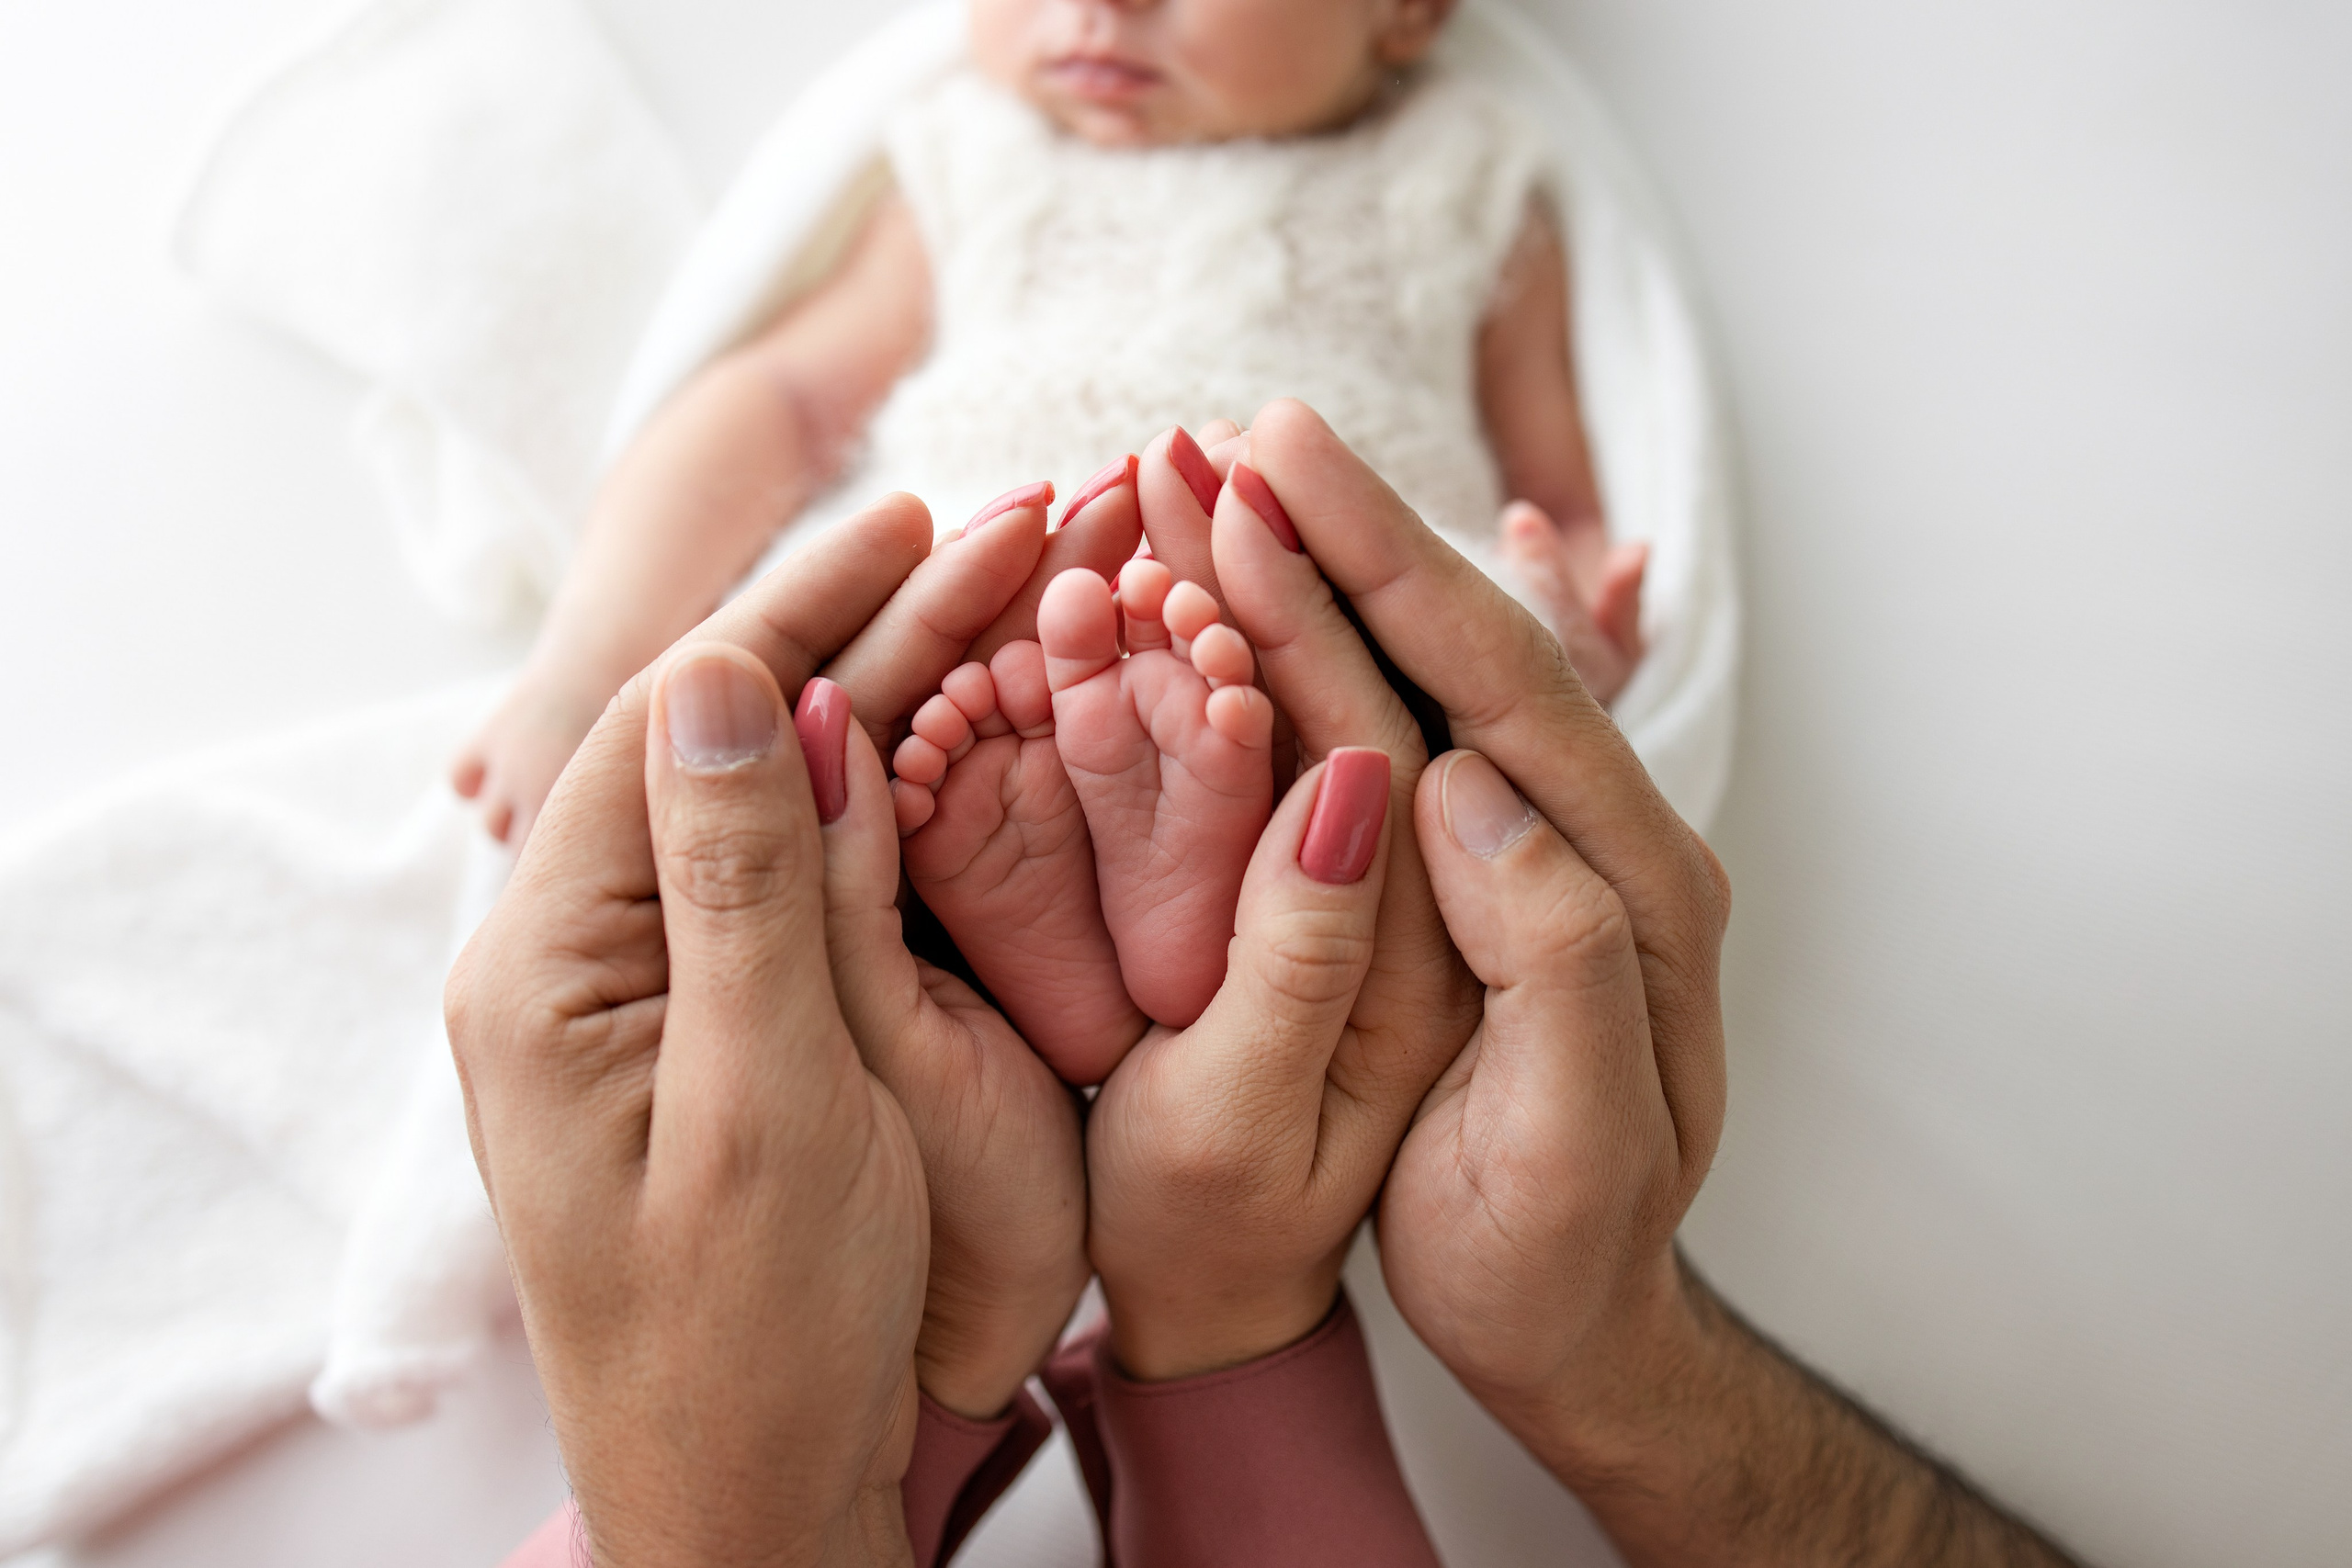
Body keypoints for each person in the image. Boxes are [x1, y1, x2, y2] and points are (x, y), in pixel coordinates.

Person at [456, 406, 2086, 1565]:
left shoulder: (1470, 158)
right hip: (1209, 639)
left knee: (1213, 783)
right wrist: (1250, 1314)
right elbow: (773, 394)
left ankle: (1106, 969)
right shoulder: (954, 146)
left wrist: (741, 1519)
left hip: (1100, 644)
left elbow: (1562, 447)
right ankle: (1164, 975)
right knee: (1346, 810)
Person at [451, 0, 1649, 852]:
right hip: (985, 594)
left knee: (1438, 666)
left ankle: (1087, 898)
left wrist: (1562, 641)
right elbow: (780, 406)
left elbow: (1556, 499)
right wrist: (585, 668)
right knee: (858, 648)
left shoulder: (1461, 182)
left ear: (1407, 9)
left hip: (1314, 665)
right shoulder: (984, 163)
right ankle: (1030, 880)